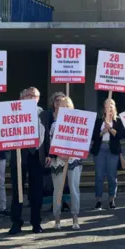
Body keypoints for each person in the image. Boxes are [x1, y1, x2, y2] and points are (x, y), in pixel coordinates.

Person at [9, 87, 50, 235]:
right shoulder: (12, 111)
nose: (32, 98)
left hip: (37, 156)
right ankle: (16, 223)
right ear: (22, 98)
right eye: (28, 95)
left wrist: (48, 153)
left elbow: (46, 136)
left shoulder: (44, 113)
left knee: (36, 192)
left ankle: (36, 222)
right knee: (17, 191)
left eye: (35, 96)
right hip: (20, 155)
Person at [49, 96, 82, 229]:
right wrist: (61, 155)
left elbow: (82, 142)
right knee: (57, 190)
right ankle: (57, 219)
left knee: (74, 190)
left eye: (68, 105)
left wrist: (72, 154)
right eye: (63, 105)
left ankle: (75, 218)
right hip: (58, 160)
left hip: (74, 160)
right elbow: (52, 143)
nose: (66, 107)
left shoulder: (79, 123)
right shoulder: (54, 125)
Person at [91, 99, 124, 210]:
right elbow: (94, 136)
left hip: (112, 149)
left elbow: (120, 136)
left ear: (114, 107)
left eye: (111, 105)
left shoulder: (117, 121)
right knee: (99, 176)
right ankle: (99, 200)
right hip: (100, 149)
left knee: (111, 176)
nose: (109, 107)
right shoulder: (99, 120)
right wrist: (103, 131)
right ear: (104, 107)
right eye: (107, 105)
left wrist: (109, 128)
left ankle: (111, 199)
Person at [45, 92, 70, 212]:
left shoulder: (69, 115)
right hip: (53, 154)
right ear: (53, 103)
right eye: (57, 100)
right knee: (54, 182)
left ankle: (64, 202)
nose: (59, 103)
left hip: (66, 153)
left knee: (65, 181)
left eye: (62, 100)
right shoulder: (49, 116)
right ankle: (55, 205)